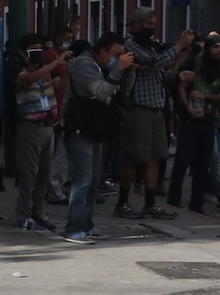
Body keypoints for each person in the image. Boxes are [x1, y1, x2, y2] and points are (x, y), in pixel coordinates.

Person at [114, 7, 194, 220]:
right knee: (134, 157)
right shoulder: (130, 45)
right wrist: (178, 47)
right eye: (148, 24)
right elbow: (154, 65)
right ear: (137, 23)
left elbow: (159, 74)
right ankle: (123, 202)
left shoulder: (151, 45)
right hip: (138, 107)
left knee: (155, 157)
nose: (152, 29)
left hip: (157, 107)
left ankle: (150, 203)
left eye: (154, 25)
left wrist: (178, 76)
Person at [61, 33, 135, 244]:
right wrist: (119, 68)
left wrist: (127, 71)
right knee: (82, 181)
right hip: (79, 129)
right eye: (116, 54)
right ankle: (73, 228)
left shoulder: (102, 65)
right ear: (103, 51)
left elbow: (120, 91)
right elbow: (102, 92)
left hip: (95, 128)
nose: (118, 58)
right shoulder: (84, 65)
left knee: (93, 182)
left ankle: (87, 224)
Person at [8, 33, 72, 230]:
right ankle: (23, 214)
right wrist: (54, 64)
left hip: (48, 126)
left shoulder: (45, 67)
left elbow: (61, 85)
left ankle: (38, 212)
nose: (38, 51)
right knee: (29, 173)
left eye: (40, 47)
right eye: (33, 47)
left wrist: (68, 68)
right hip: (29, 126)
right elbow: (27, 78)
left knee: (44, 173)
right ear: (22, 51)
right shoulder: (16, 66)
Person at [168, 34, 220, 214]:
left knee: (202, 165)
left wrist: (206, 98)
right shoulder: (194, 63)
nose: (219, 51)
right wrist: (188, 110)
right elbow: (181, 88)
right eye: (215, 47)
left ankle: (197, 205)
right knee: (182, 161)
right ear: (207, 49)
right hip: (190, 120)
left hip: (208, 120)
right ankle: (174, 199)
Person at [42, 27, 77, 207]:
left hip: (61, 107)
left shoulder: (61, 56)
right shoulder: (52, 56)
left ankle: (55, 187)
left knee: (60, 152)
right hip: (56, 108)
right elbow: (60, 86)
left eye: (72, 38)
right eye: (67, 38)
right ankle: (54, 190)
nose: (70, 41)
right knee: (60, 154)